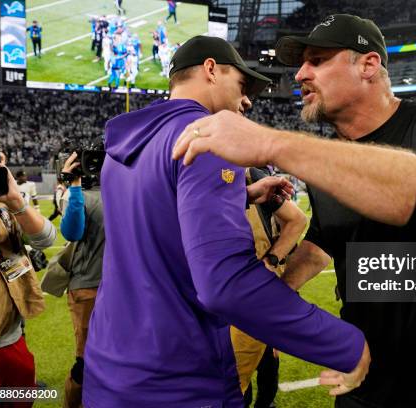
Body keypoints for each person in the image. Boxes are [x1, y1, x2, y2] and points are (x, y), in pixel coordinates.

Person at [172, 15, 416, 407]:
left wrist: (275, 144)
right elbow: (328, 238)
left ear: (368, 65)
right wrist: (270, 295)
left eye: (317, 60)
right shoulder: (326, 160)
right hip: (365, 379)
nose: (300, 73)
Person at [83, 35, 370, 408]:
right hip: (175, 375)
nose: (248, 99)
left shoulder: (123, 149)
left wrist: (240, 195)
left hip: (111, 366)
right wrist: (345, 344)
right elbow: (225, 284)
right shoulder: (209, 141)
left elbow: (156, 215)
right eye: (242, 84)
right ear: (211, 70)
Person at [0, 157, 56, 405]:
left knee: (21, 400)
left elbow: (46, 239)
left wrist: (16, 201)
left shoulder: (0, 204)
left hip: (12, 337)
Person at [234, 166, 307, 408]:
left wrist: (272, 259)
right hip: (221, 290)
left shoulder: (253, 174)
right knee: (234, 371)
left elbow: (296, 221)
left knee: (263, 361)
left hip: (257, 289)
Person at [58, 152, 105, 408]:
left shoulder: (115, 192)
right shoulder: (118, 193)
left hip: (97, 287)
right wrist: (75, 188)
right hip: (93, 288)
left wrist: (73, 186)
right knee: (87, 362)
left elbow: (71, 232)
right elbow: (72, 232)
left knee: (90, 361)